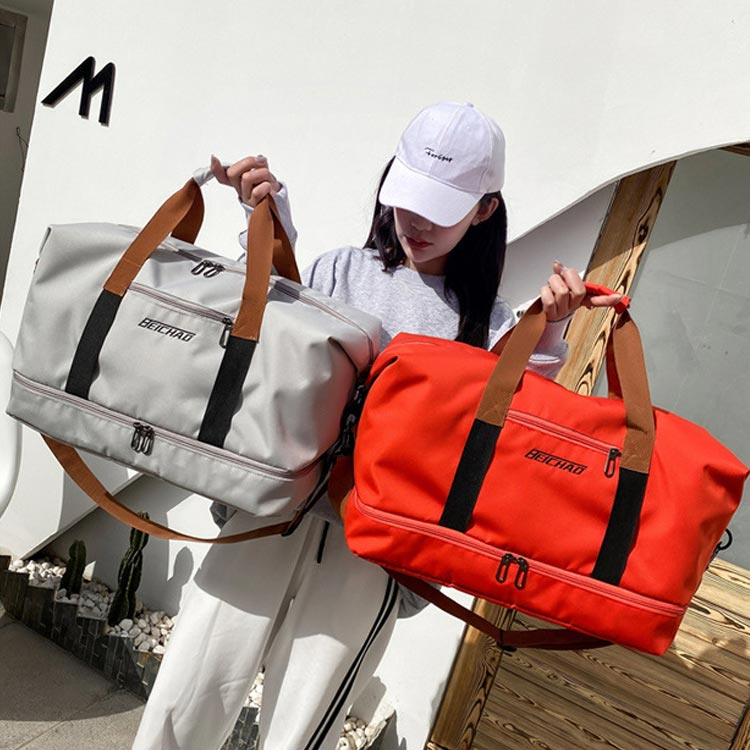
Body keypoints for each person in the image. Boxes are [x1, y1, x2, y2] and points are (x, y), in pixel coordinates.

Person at [132, 102, 622, 750]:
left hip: (375, 551)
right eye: (410, 196)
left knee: (300, 728)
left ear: (483, 211)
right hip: (271, 511)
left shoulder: (492, 324)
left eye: (442, 207)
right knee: (186, 693)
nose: (417, 221)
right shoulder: (339, 270)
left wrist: (549, 330)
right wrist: (269, 229)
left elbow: (509, 436)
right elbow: (270, 351)